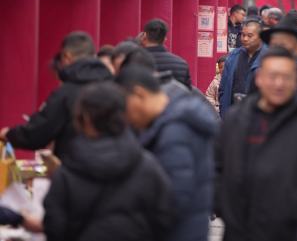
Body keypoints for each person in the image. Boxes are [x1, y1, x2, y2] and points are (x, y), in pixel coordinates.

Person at [43, 82, 174, 241]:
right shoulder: (148, 167)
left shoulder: (66, 173)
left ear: (85, 118)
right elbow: (165, 221)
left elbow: (54, 228)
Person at [215, 47, 297, 241]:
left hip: (293, 231)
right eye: (272, 76)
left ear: (296, 80)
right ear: (259, 78)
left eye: (286, 77)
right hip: (239, 229)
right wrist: (226, 208)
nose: (279, 84)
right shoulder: (236, 119)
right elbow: (216, 169)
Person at [116, 66, 217, 241]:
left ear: (139, 94)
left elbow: (174, 198)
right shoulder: (173, 118)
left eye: (125, 107)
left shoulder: (174, 132)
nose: (127, 117)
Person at [0, 32, 112, 159]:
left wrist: (10, 135)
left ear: (66, 56)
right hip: (114, 166)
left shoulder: (66, 93)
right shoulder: (114, 86)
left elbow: (39, 132)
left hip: (76, 168)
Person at [218, 19, 266, 116]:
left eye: (250, 36)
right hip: (233, 114)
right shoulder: (233, 56)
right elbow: (223, 87)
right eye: (243, 35)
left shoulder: (268, 57)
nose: (245, 39)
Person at [140, 18, 192, 88]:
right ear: (165, 38)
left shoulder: (135, 61)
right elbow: (187, 92)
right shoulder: (181, 64)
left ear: (144, 36)